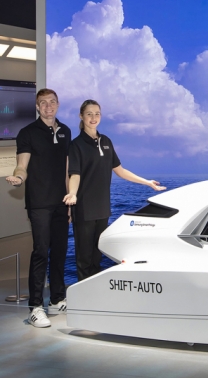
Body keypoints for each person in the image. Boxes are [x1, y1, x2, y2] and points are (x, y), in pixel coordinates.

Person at [63, 99, 166, 281]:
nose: (93, 118)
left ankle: (97, 293)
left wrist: (147, 182)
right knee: (84, 259)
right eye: (89, 114)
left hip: (102, 208)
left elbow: (121, 171)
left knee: (97, 257)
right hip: (84, 209)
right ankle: (85, 295)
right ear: (81, 116)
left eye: (97, 114)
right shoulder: (76, 145)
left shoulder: (106, 141)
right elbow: (75, 174)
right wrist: (72, 194)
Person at [6, 88, 71, 328]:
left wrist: (70, 200)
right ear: (37, 106)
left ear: (58, 104)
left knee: (60, 252)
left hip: (61, 202)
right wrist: (19, 178)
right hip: (39, 203)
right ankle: (35, 307)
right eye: (43, 103)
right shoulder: (27, 133)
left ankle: (56, 299)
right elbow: (21, 165)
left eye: (52, 102)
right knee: (41, 252)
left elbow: (67, 169)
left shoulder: (65, 131)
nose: (48, 106)